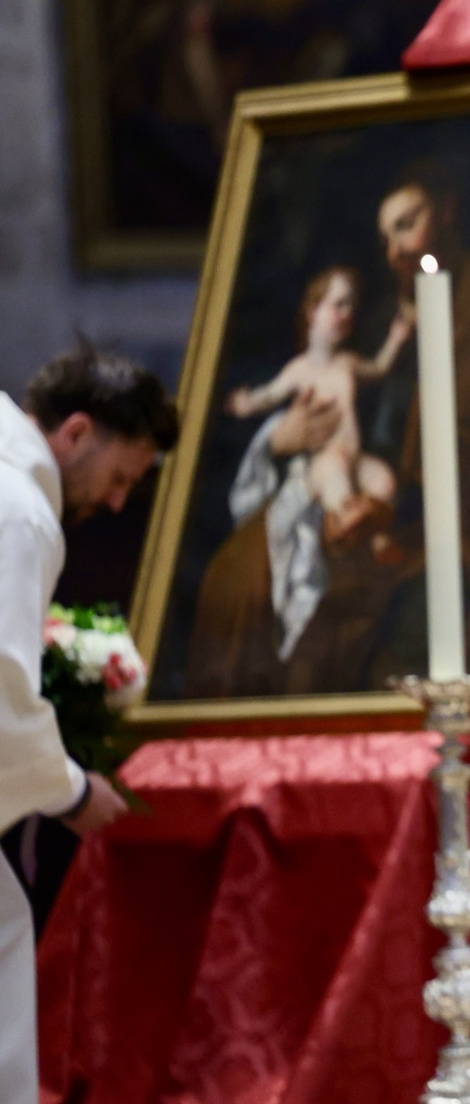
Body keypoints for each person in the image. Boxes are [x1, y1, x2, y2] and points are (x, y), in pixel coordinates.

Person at [184, 160, 470, 696]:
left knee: (395, 597)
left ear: (447, 211)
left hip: (435, 516)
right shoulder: (379, 316)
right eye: (386, 237)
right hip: (339, 492)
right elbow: (294, 405)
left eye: (408, 224)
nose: (397, 250)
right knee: (236, 574)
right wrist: (280, 438)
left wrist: (400, 496)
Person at [0, 343, 178, 1104]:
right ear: (76, 432)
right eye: (121, 478)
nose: (114, 503)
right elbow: (2, 692)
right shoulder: (20, 512)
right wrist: (70, 790)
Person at [224, 265, 409, 546]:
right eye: (338, 304)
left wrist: (395, 339)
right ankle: (347, 532)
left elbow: (379, 369)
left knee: (384, 482)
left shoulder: (347, 362)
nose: (346, 314)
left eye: (350, 307)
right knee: (337, 482)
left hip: (354, 457)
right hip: (325, 462)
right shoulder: (300, 369)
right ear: (312, 312)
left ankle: (379, 541)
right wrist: (248, 404)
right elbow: (271, 394)